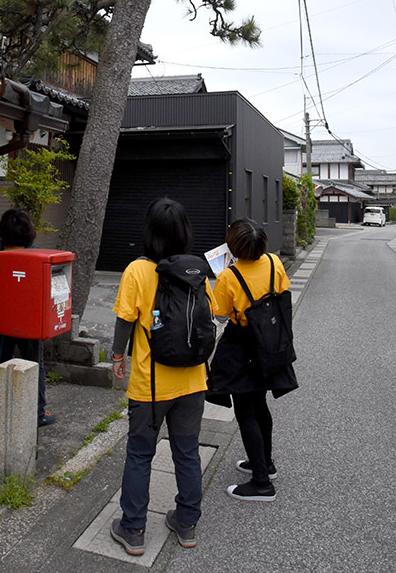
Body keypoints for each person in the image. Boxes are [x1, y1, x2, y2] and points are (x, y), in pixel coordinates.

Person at [109, 197, 216, 556]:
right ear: (185, 231)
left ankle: (133, 529)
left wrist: (117, 357)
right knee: (187, 453)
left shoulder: (137, 271)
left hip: (150, 385)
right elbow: (209, 317)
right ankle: (186, 523)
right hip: (193, 382)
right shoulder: (197, 270)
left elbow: (125, 320)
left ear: (150, 232)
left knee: (140, 454)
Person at [208, 217, 298, 502]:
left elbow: (220, 315)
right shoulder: (274, 263)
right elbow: (282, 293)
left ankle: (261, 483)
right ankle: (265, 463)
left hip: (242, 345)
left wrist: (225, 276)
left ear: (233, 247)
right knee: (260, 405)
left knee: (245, 411)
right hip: (270, 341)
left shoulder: (228, 277)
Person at [0, 207, 55, 429]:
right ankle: (38, 413)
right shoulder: (35, 256)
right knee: (35, 364)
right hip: (28, 321)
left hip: (1, 318)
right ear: (28, 232)